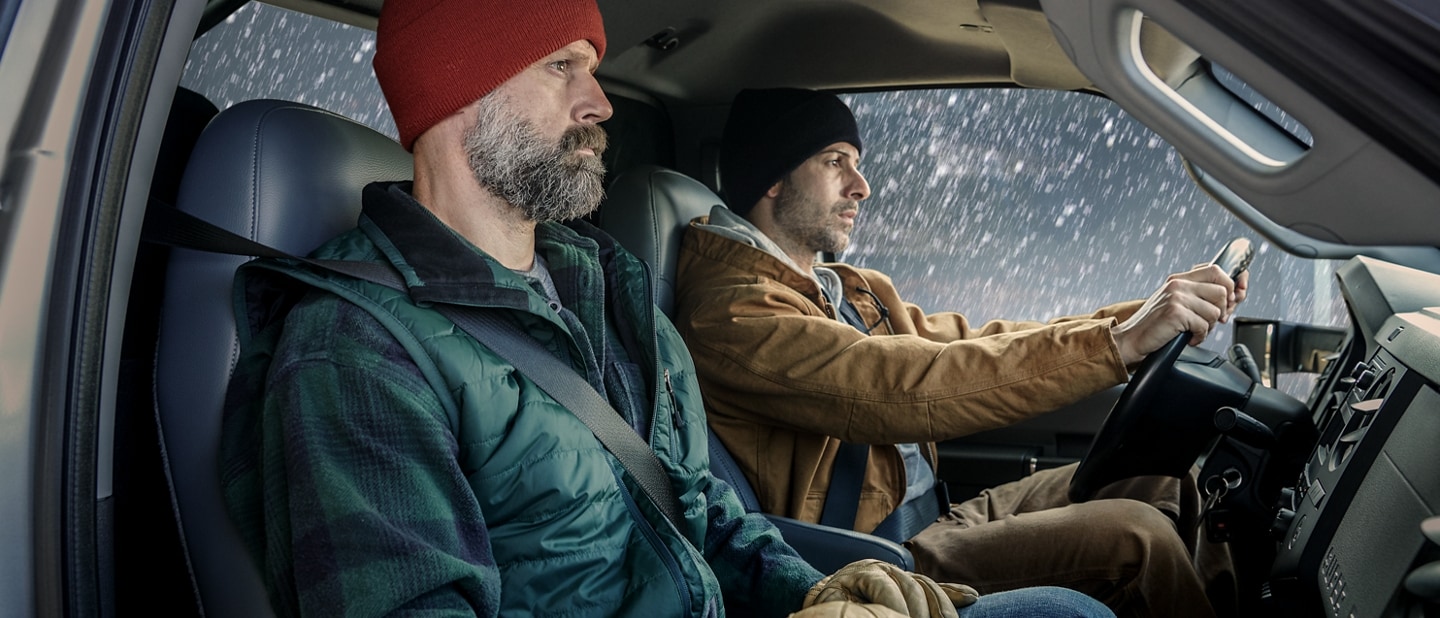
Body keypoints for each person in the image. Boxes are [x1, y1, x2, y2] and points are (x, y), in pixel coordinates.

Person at [216, 2, 1117, 617]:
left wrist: (819, 592)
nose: (599, 102)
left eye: (595, 69)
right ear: (461, 92)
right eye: (561, 66)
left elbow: (691, 504)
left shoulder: (596, 285)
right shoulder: (356, 354)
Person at [673, 88, 1248, 617]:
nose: (861, 185)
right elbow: (908, 383)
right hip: (873, 562)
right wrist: (1114, 346)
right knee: (1135, 535)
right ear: (772, 178)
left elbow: (979, 342)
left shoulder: (845, 287)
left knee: (1169, 479)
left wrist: (1143, 314)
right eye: (835, 161)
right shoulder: (733, 315)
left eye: (856, 161)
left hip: (934, 518)